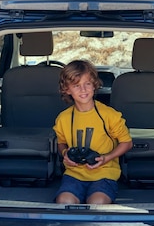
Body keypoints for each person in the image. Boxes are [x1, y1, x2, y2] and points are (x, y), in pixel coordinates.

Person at [53, 60, 132, 205]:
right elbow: (61, 142)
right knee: (64, 201)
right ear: (67, 90)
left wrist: (106, 158)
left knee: (97, 203)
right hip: (74, 175)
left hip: (104, 174)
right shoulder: (63, 118)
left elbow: (127, 143)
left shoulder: (109, 115)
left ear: (94, 85)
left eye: (87, 84)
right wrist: (65, 154)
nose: (83, 89)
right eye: (76, 86)